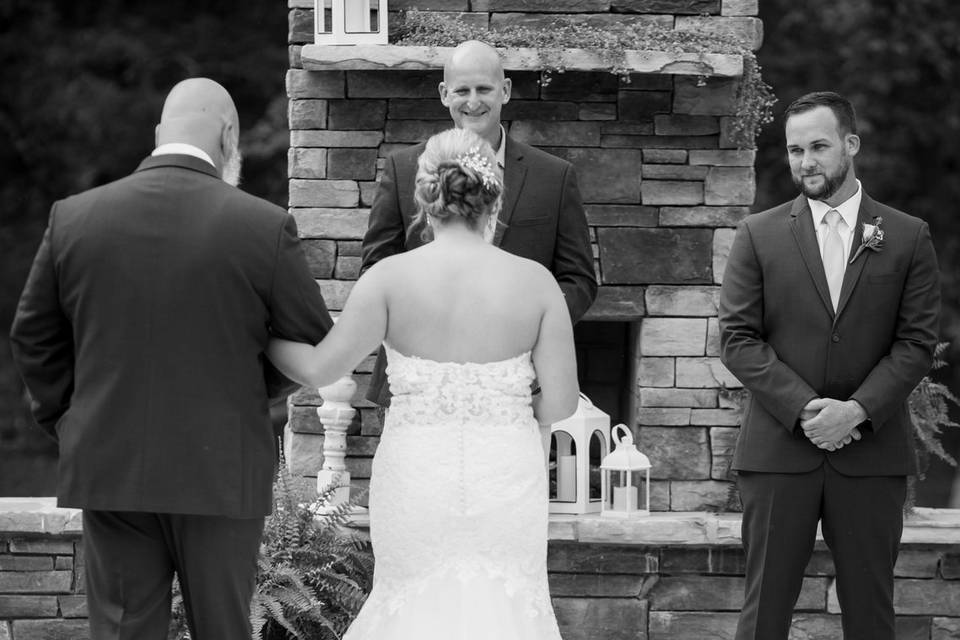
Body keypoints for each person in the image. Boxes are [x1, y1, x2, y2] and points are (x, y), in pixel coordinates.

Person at [9, 78, 333, 640]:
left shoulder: (75, 217)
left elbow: (33, 337)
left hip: (111, 463)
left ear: (160, 133)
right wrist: (248, 390)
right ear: (230, 135)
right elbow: (309, 339)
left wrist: (71, 421)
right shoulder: (263, 227)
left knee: (122, 630)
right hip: (222, 469)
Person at [268, 127, 580, 640]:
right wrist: (503, 410)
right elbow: (562, 401)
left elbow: (321, 369)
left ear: (423, 196)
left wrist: (258, 337)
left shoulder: (388, 279)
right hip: (506, 478)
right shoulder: (537, 283)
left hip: (415, 477)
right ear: (493, 195)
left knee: (410, 601)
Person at [719, 91, 940, 639]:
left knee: (871, 615)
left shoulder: (907, 236)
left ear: (851, 144)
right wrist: (808, 408)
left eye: (818, 146)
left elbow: (915, 343)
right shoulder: (758, 234)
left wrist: (857, 411)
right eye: (795, 150)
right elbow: (738, 339)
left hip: (871, 457)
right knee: (763, 615)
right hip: (777, 454)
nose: (805, 162)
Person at [361, 39, 597, 411]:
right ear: (444, 94)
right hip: (417, 389)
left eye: (484, 88)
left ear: (505, 90)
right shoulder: (403, 168)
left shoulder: (554, 177)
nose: (473, 101)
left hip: (515, 384)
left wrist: (532, 328)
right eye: (462, 90)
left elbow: (579, 280)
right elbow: (376, 268)